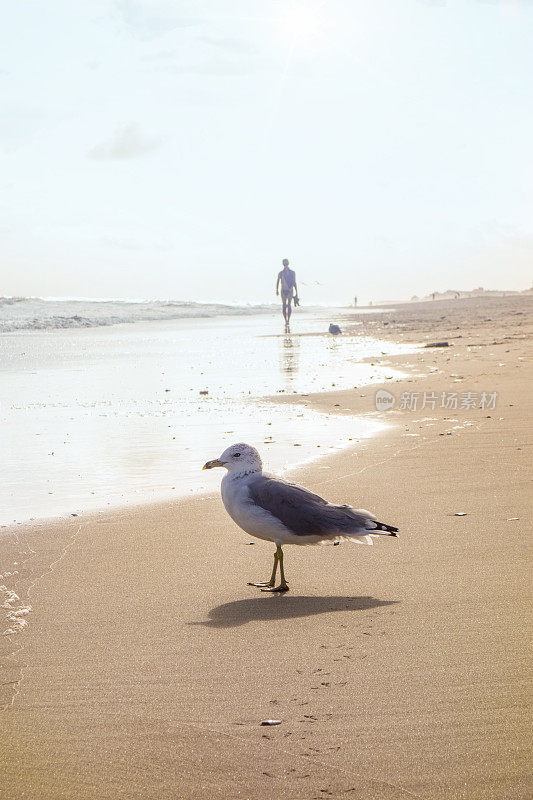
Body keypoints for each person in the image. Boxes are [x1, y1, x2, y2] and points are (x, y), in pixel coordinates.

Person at [276, 259, 299, 326]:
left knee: (288, 305)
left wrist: (296, 292)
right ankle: (285, 320)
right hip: (283, 290)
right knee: (284, 305)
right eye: (284, 263)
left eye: (286, 263)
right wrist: (276, 290)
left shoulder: (292, 272)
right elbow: (277, 282)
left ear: (288, 264)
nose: (285, 265)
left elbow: (294, 282)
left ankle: (288, 319)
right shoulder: (281, 273)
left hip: (290, 290)